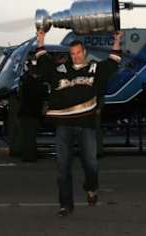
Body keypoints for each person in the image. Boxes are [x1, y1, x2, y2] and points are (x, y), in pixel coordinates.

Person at [35, 30, 123, 217]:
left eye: (78, 53)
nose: (75, 57)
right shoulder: (60, 71)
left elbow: (113, 61)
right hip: (63, 126)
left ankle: (91, 188)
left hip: (87, 125)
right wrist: (40, 40)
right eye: (72, 54)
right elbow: (43, 62)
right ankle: (65, 205)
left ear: (84, 52)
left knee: (91, 164)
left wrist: (117, 40)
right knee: (62, 166)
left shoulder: (94, 69)